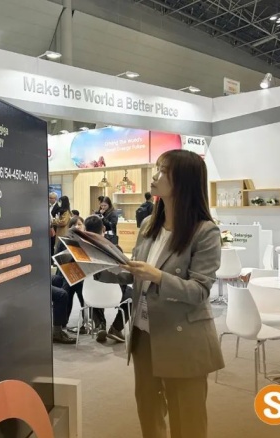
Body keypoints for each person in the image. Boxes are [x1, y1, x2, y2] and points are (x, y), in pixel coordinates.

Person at [97, 149, 223, 438]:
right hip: (144, 334)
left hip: (183, 338)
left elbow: (199, 290)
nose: (155, 176)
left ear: (183, 181)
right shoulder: (148, 226)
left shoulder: (205, 232)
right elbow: (134, 274)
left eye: (163, 171)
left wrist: (157, 276)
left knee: (187, 421)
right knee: (149, 412)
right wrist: (99, 265)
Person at [83, 215, 132, 343]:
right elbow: (124, 271)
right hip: (115, 294)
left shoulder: (82, 251)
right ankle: (116, 328)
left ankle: (100, 325)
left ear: (84, 229)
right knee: (133, 294)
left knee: (93, 286)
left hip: (90, 294)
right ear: (103, 229)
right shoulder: (115, 248)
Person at [49, 192, 59, 257]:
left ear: (55, 199)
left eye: (51, 198)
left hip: (54, 228)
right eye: (49, 198)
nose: (49, 199)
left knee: (53, 244)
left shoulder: (58, 207)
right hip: (49, 227)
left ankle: (52, 257)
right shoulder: (49, 206)